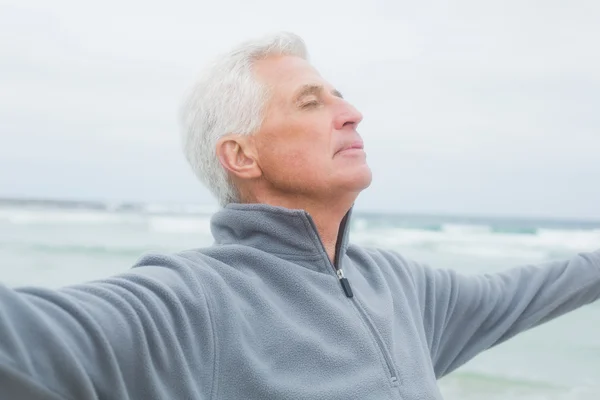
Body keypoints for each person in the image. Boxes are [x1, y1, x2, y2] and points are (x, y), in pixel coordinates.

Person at [1, 32, 599, 400]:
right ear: (241, 154)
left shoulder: (401, 288)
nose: (352, 113)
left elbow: (534, 289)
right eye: (311, 102)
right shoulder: (195, 304)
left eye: (339, 96)